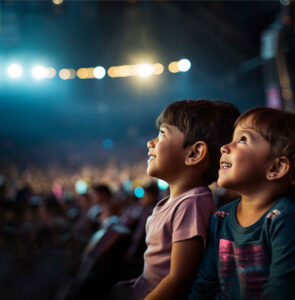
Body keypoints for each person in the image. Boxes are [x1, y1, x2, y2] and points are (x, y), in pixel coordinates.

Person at [132, 99, 240, 299]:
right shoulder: (177, 202)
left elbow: (179, 279)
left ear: (194, 153)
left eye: (162, 133)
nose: (151, 142)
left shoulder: (192, 203)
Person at [189, 107, 295, 299]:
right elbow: (204, 285)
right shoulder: (221, 217)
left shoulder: (283, 218)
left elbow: (280, 290)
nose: (224, 147)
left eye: (243, 139)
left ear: (276, 167)